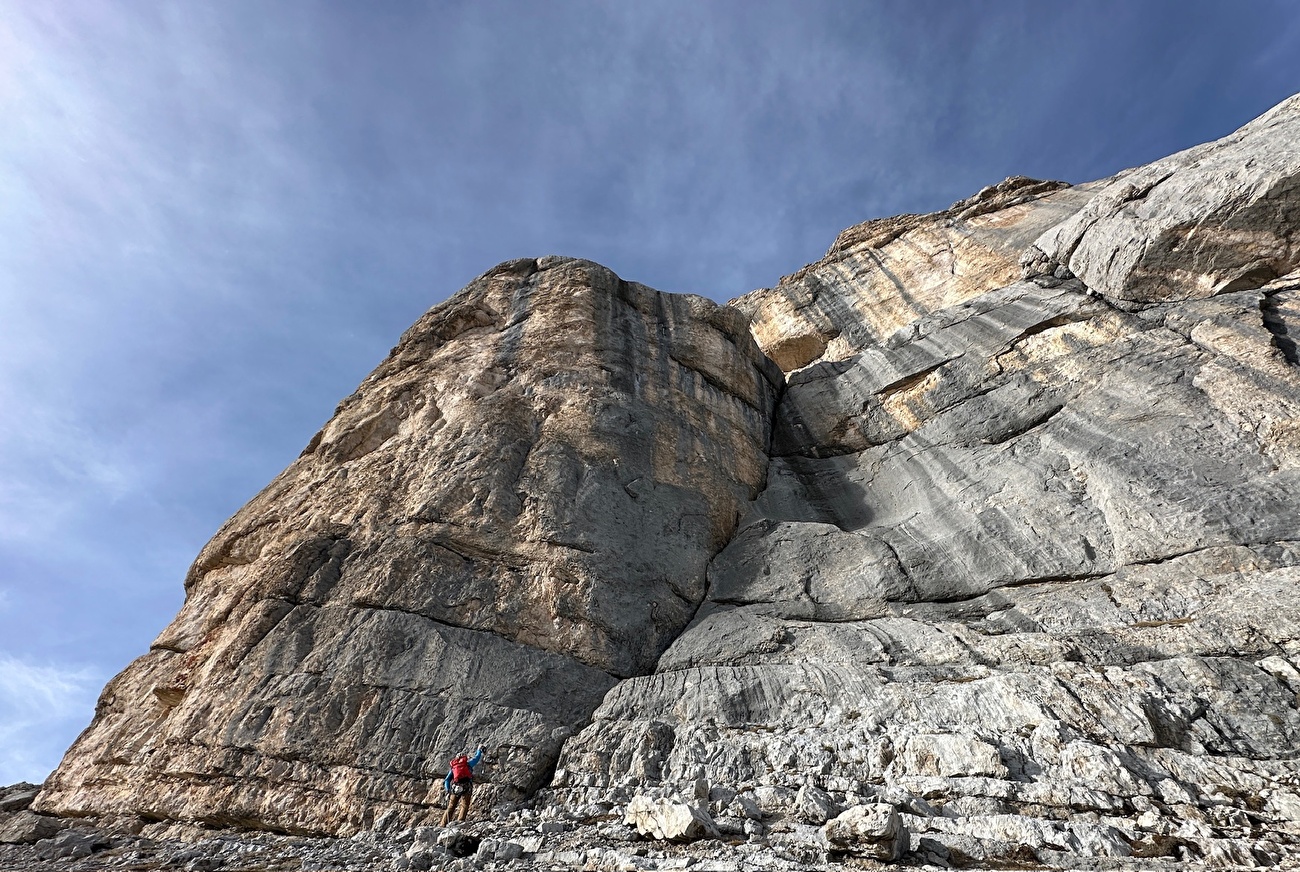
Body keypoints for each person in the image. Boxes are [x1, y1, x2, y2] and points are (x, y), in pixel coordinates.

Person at [440, 745, 484, 825]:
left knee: (451, 806)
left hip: (455, 788)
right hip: (467, 787)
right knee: (465, 805)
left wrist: (448, 790)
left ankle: (443, 824)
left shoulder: (454, 768)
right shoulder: (468, 764)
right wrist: (479, 750)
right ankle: (460, 821)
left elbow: (447, 780)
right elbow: (476, 758)